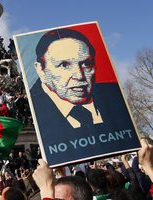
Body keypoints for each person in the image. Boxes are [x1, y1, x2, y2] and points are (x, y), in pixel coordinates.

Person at [28, 27, 139, 166]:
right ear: (40, 69)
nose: (79, 75)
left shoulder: (113, 96)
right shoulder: (33, 107)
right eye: (64, 65)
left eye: (86, 64)